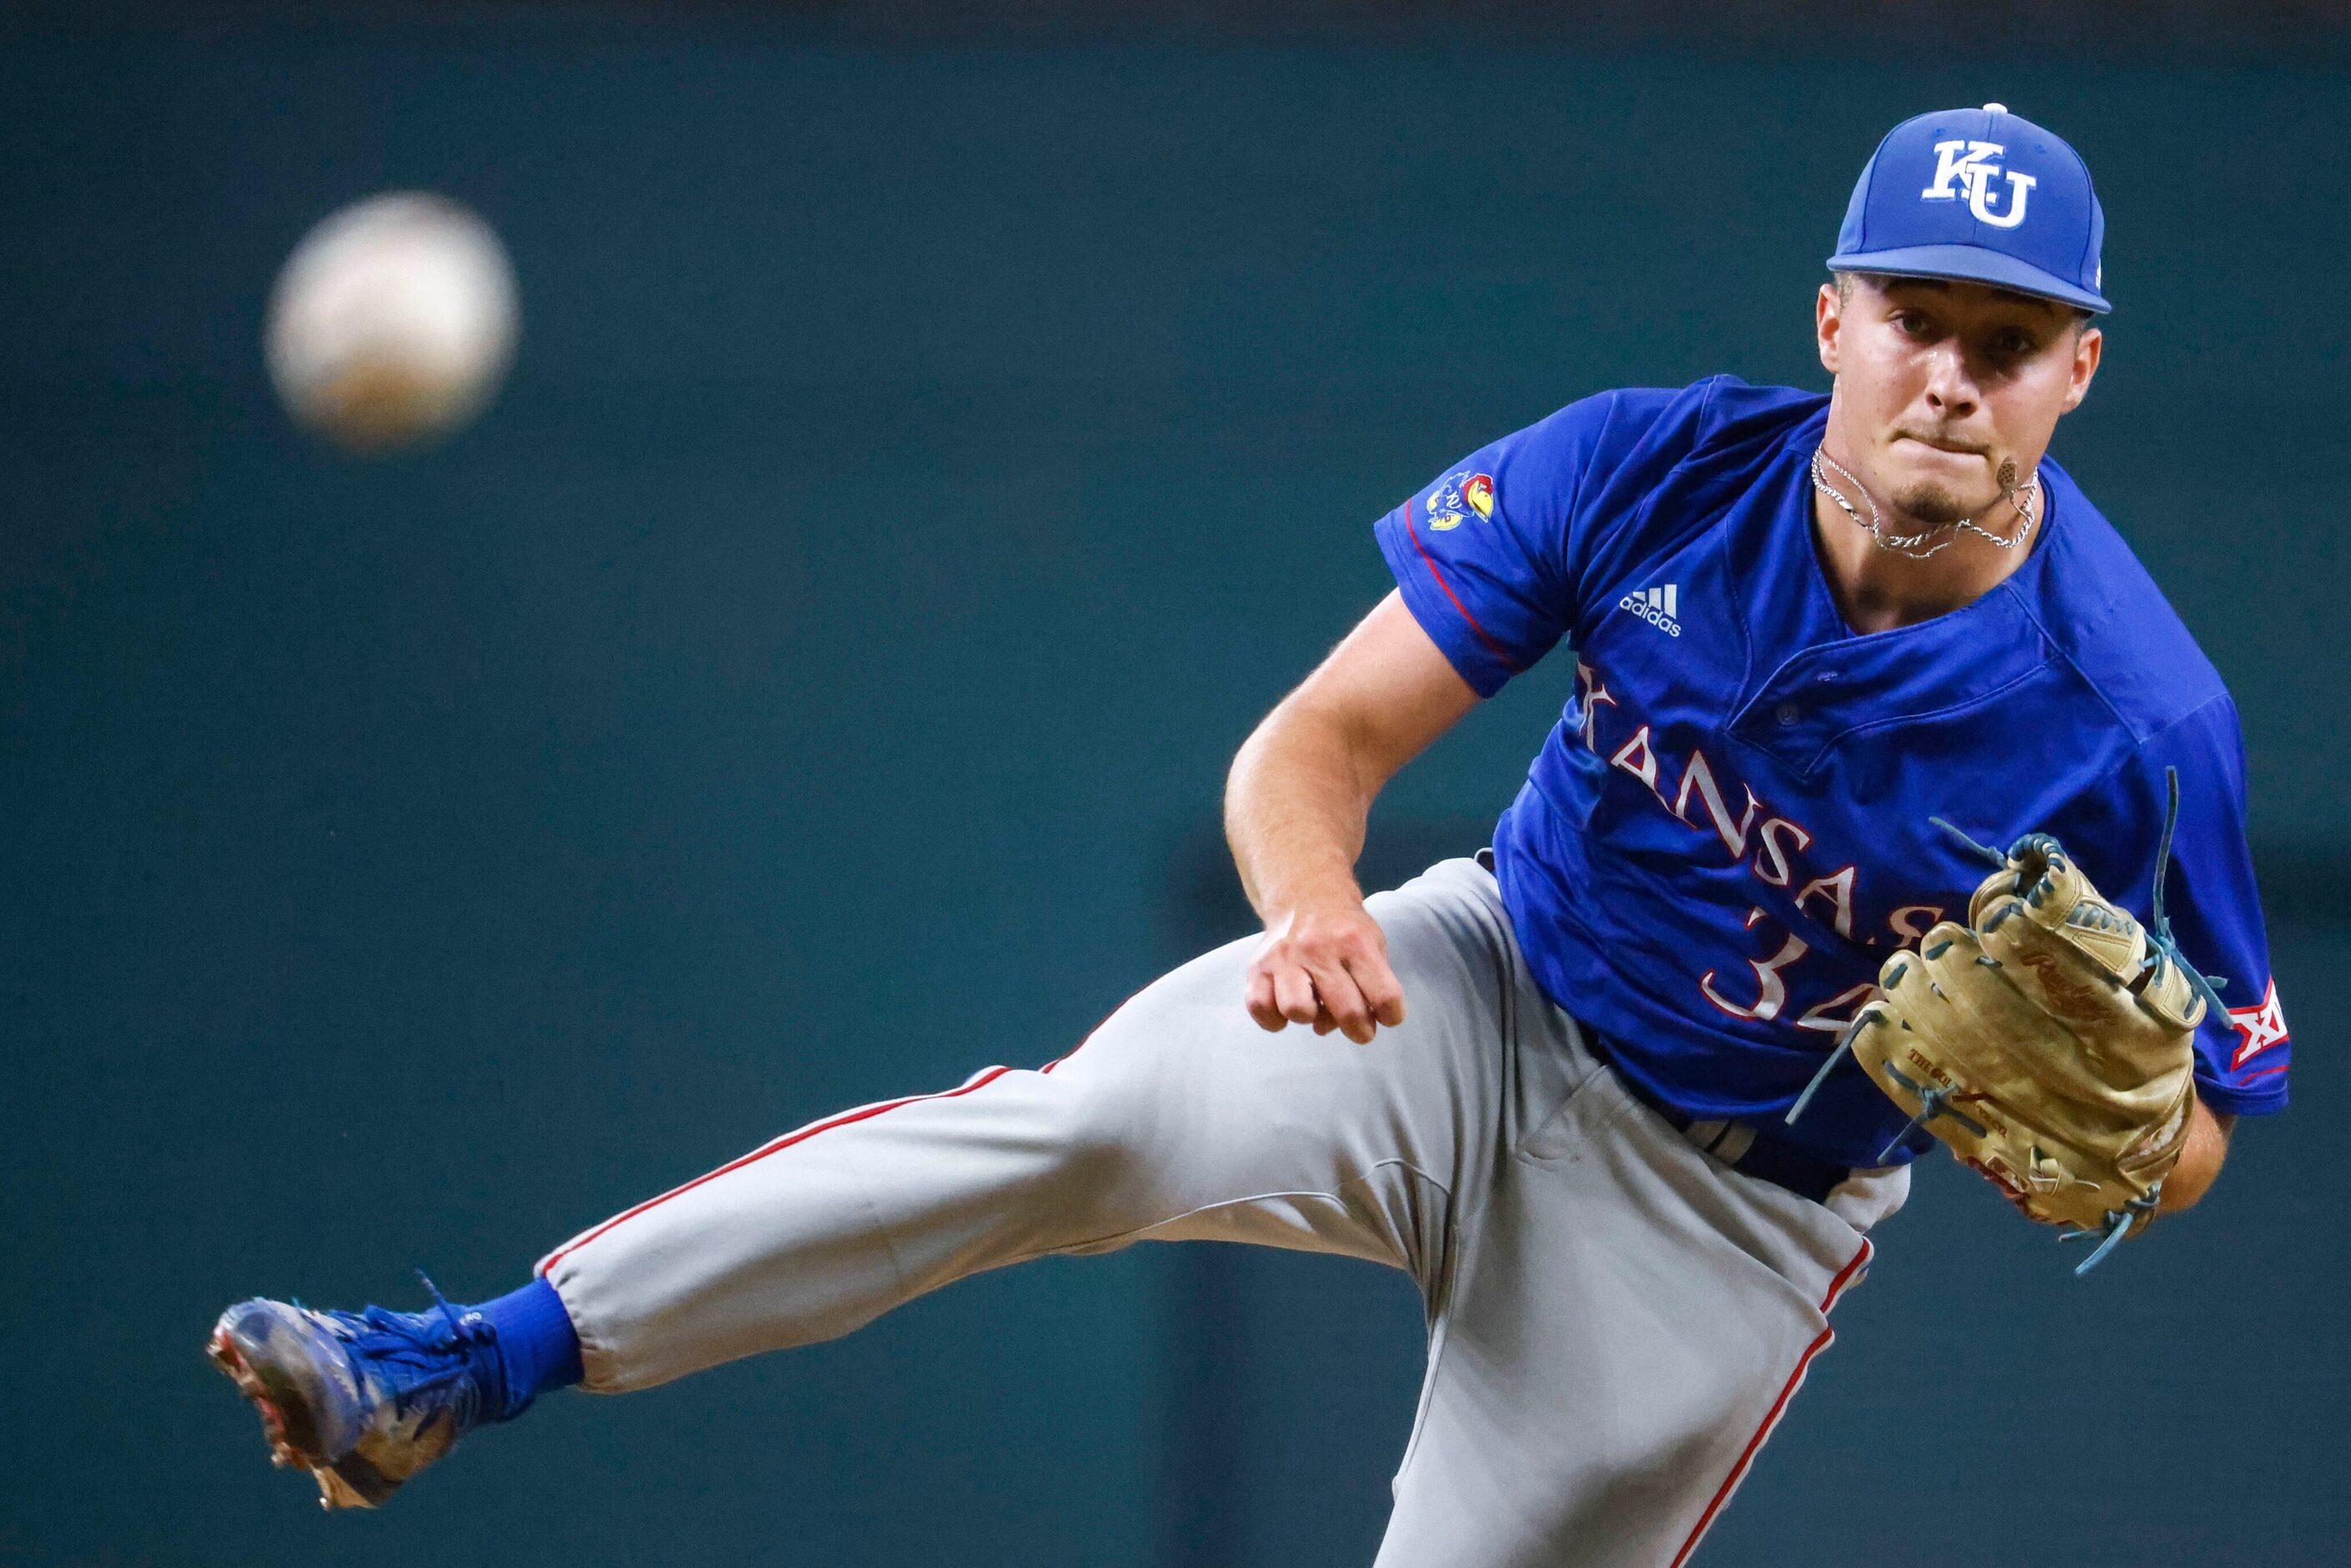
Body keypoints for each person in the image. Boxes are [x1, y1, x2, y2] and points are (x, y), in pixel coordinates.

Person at [209, 104, 2291, 1565]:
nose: (1951, 374)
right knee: (1090, 1126)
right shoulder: (1647, 472)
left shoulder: (2135, 720)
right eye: (1916, 318)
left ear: (2073, 375)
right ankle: (462, 1362)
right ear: (1832, 318)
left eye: (2005, 342)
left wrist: (2123, 1133)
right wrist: (1312, 912)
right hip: (1479, 986)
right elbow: (1316, 741)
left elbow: (2203, 1132)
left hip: (1729, 1222)